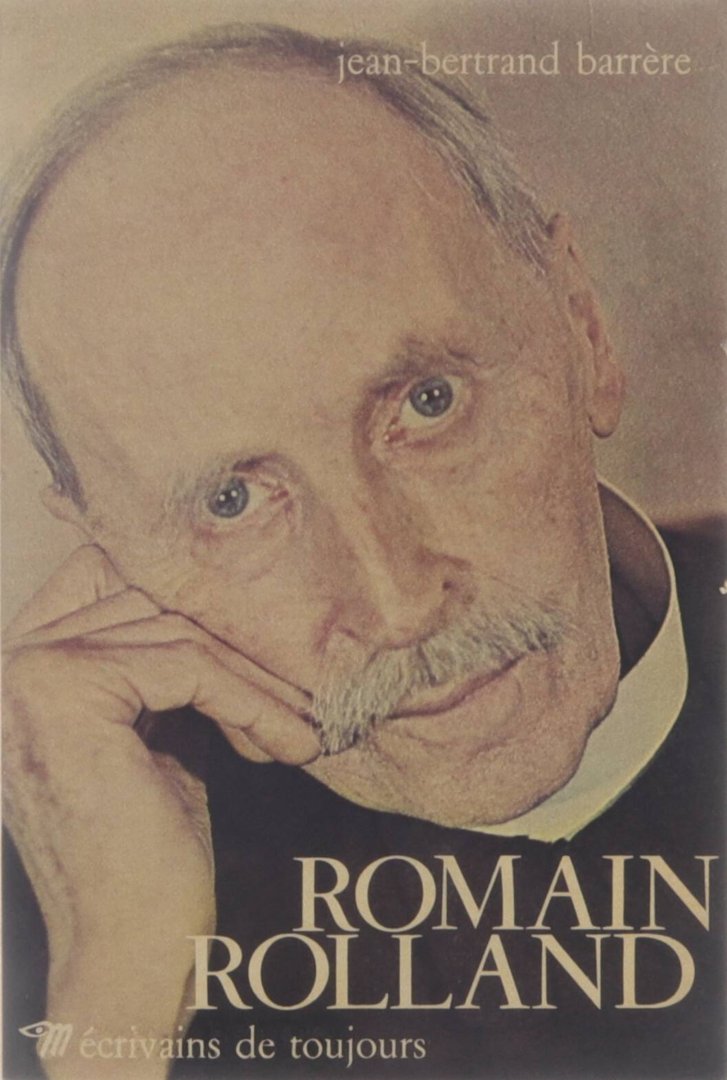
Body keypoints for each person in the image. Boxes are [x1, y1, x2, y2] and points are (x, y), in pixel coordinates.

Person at [1, 23, 723, 1080]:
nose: (396, 602)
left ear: (584, 329)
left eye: (428, 404)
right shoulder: (44, 914)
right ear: (112, 553)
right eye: (232, 500)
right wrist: (117, 991)